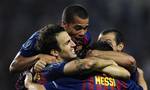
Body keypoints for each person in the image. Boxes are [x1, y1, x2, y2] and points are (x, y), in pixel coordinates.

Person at [10, 5, 136, 90]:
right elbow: (14, 66)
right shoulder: (43, 36)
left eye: (86, 28)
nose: (82, 33)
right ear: (64, 25)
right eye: (78, 28)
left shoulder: (86, 39)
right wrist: (37, 58)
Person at [24, 24, 131, 90]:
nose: (74, 45)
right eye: (67, 43)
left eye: (71, 40)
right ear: (55, 52)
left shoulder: (76, 74)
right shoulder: (51, 70)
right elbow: (88, 64)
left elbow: (126, 74)